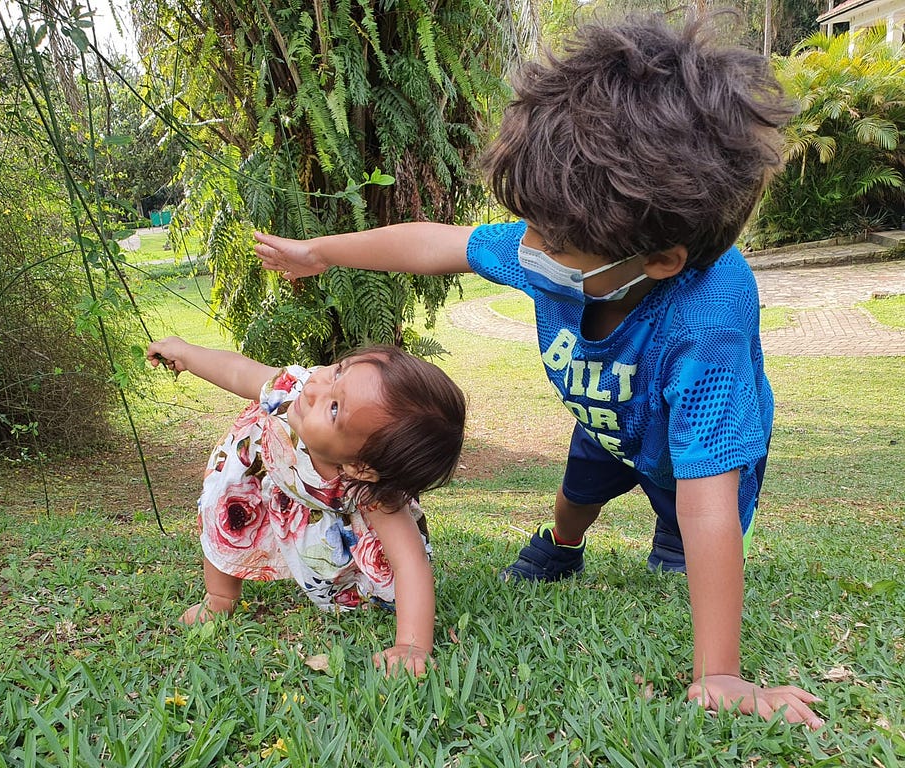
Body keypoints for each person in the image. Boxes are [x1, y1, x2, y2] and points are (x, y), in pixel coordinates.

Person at [252, 12, 825, 727]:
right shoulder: (561, 238)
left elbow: (710, 499)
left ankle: (668, 555)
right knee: (576, 493)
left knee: (688, 536)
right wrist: (323, 252)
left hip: (686, 444)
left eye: (549, 239)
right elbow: (442, 244)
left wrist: (722, 676)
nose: (526, 247)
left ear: (661, 260)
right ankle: (562, 549)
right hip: (603, 413)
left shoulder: (708, 325)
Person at [147, 336, 466, 676]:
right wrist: (187, 352)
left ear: (361, 468)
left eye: (333, 408)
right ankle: (219, 597)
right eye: (339, 372)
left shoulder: (366, 489)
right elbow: (239, 372)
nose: (316, 387)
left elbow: (409, 559)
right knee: (230, 515)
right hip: (260, 471)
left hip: (330, 508)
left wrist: (413, 645)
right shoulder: (294, 390)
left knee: (374, 576)